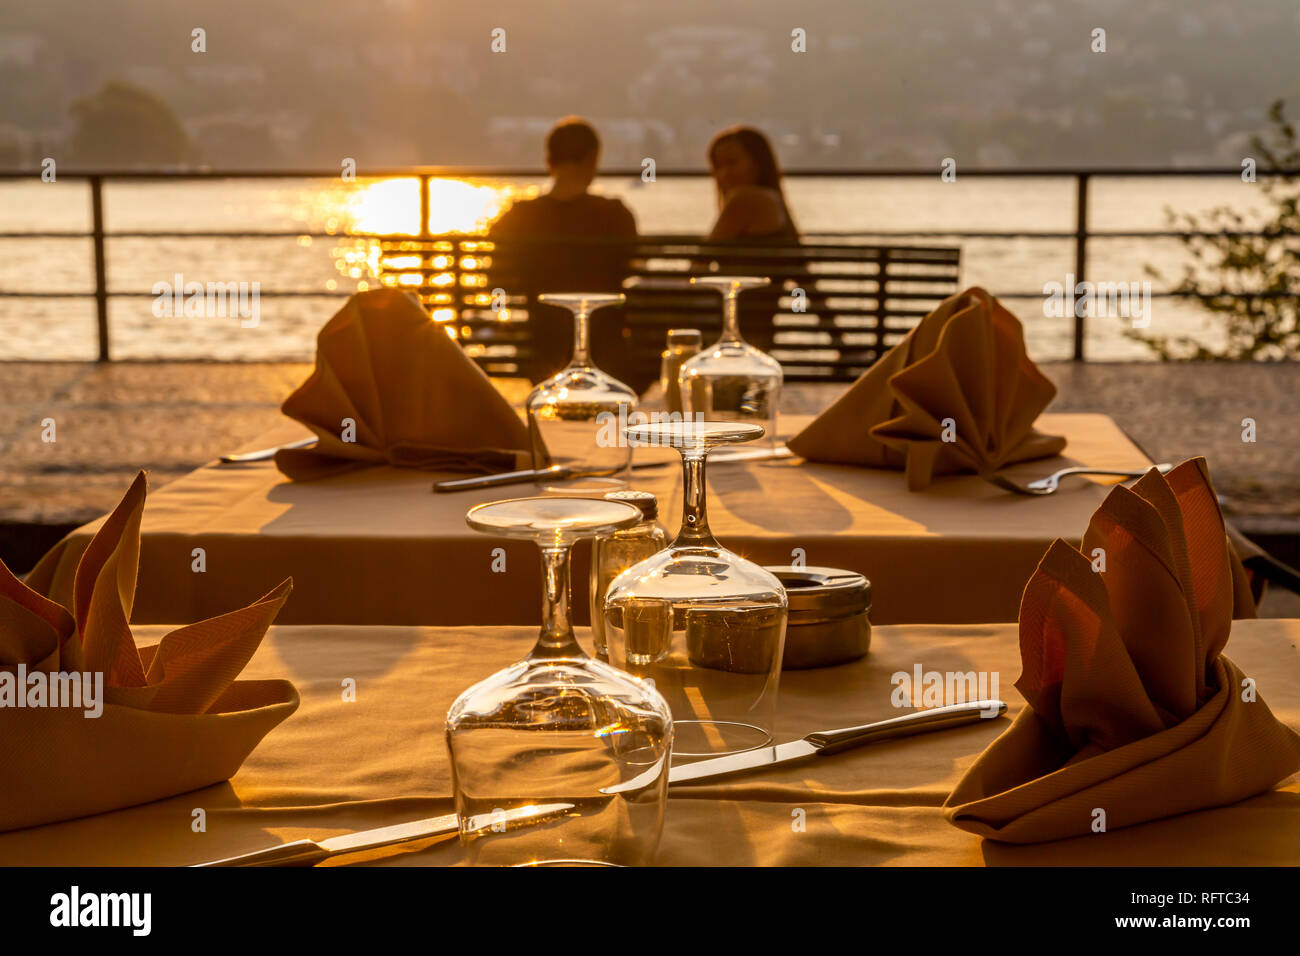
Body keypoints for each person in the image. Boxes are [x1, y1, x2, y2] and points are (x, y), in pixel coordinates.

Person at [488, 117, 638, 383]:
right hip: (606, 347)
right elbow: (633, 272)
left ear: (549, 163)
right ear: (593, 159)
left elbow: (496, 281)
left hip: (542, 347)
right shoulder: (616, 215)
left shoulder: (518, 216)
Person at [706, 126, 799, 241]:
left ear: (757, 163)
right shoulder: (772, 197)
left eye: (732, 162)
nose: (724, 173)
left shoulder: (745, 198)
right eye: (718, 166)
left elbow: (703, 256)